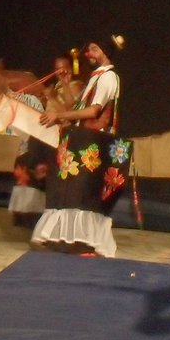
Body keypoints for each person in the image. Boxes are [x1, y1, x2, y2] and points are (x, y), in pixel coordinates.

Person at [32, 35, 132, 257]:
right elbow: (77, 109)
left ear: (105, 51)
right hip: (84, 141)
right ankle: (70, 240)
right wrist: (62, 91)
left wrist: (60, 115)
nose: (88, 54)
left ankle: (85, 244)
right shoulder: (96, 78)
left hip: (95, 144)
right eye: (89, 50)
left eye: (94, 49)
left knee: (83, 196)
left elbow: (93, 111)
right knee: (72, 194)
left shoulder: (108, 77)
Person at [43, 53, 84, 121]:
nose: (60, 71)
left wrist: (52, 98)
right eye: (57, 69)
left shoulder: (75, 85)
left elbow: (70, 114)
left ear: (71, 68)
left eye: (64, 67)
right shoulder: (57, 87)